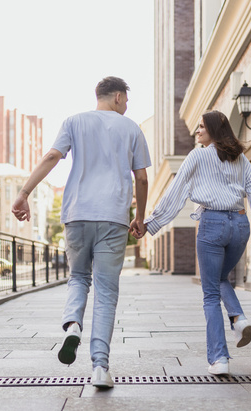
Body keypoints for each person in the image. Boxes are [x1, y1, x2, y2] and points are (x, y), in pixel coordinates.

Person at [12, 76, 150, 388]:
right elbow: (141, 178)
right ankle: (100, 367)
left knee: (78, 278)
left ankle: (72, 324)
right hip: (113, 217)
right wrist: (139, 216)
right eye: (125, 101)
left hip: (76, 215)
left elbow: (51, 157)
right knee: (106, 291)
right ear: (117, 97)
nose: (126, 107)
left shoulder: (73, 121)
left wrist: (24, 193)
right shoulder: (131, 128)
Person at [141, 110, 251, 376]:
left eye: (201, 127)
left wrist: (151, 224)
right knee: (221, 278)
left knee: (210, 293)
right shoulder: (241, 158)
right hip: (241, 224)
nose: (196, 131)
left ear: (213, 130)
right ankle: (238, 318)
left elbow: (175, 193)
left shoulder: (198, 156)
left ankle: (219, 358)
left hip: (212, 224)